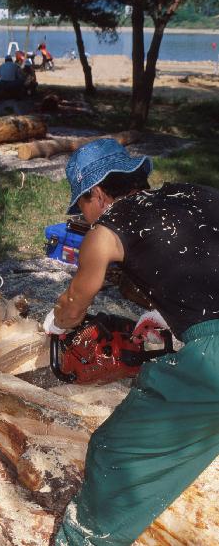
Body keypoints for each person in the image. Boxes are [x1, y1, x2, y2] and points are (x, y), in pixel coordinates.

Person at [43, 138, 219, 545]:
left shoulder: (104, 233)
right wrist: (170, 314)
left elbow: (73, 305)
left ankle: (81, 540)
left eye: (81, 206)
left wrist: (56, 323)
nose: (82, 217)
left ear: (98, 194)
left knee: (114, 451)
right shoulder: (193, 193)